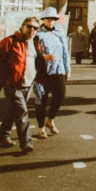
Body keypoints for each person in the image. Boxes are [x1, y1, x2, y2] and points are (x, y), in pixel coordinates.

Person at [0, 16, 51, 153]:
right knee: (23, 112)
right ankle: (26, 143)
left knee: (14, 111)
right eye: (29, 26)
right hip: (13, 84)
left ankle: (2, 135)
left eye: (35, 28)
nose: (32, 30)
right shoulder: (10, 41)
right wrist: (7, 78)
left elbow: (36, 62)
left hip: (28, 84)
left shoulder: (35, 43)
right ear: (22, 27)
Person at [34, 8, 70, 139]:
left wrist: (68, 69)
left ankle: (50, 119)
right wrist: (44, 57)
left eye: (53, 19)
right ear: (43, 19)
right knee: (41, 99)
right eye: (48, 18)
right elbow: (32, 53)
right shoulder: (37, 34)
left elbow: (65, 52)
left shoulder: (59, 33)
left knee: (60, 94)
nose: (51, 21)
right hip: (42, 71)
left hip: (58, 69)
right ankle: (40, 128)